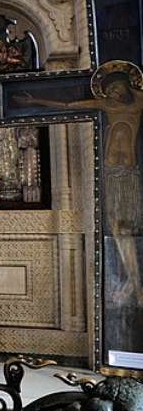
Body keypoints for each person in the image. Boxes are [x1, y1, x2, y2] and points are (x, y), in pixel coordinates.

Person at [15, 64, 143, 305]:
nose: (114, 93)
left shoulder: (138, 102)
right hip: (111, 173)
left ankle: (134, 284)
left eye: (116, 87)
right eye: (110, 90)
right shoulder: (107, 105)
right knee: (117, 228)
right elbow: (66, 107)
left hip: (129, 173)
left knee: (129, 228)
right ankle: (133, 284)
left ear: (128, 83)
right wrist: (36, 100)